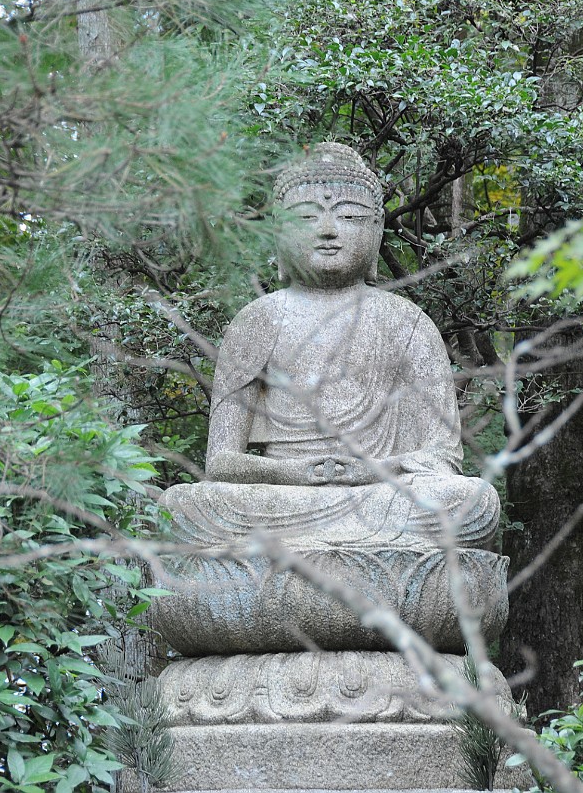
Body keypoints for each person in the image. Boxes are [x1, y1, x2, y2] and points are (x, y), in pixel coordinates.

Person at [160, 142, 499, 551]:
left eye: (350, 217)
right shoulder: (258, 320)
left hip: (378, 493)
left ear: (376, 233)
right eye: (306, 217)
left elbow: (442, 459)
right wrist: (296, 474)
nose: (327, 230)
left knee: (472, 502)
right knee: (186, 506)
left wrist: (368, 471)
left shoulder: (407, 322)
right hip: (283, 496)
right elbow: (222, 463)